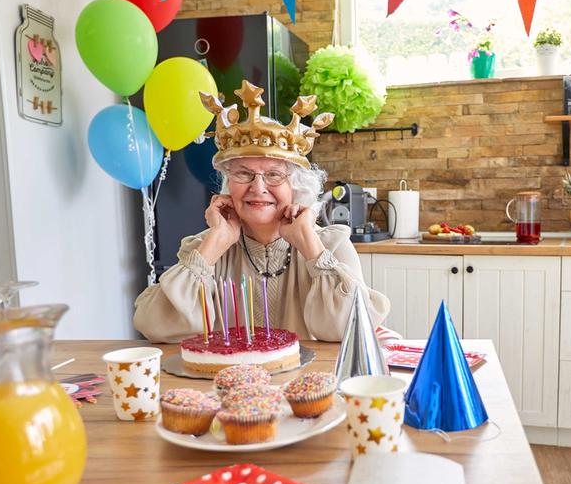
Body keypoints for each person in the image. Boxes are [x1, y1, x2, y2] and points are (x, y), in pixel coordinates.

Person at [133, 80, 391, 343]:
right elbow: (154, 326)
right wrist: (214, 244)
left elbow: (350, 328)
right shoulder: (206, 248)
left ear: (296, 186)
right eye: (243, 173)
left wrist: (312, 249)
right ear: (228, 184)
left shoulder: (331, 245)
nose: (258, 187)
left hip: (307, 382)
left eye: (274, 175)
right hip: (227, 382)